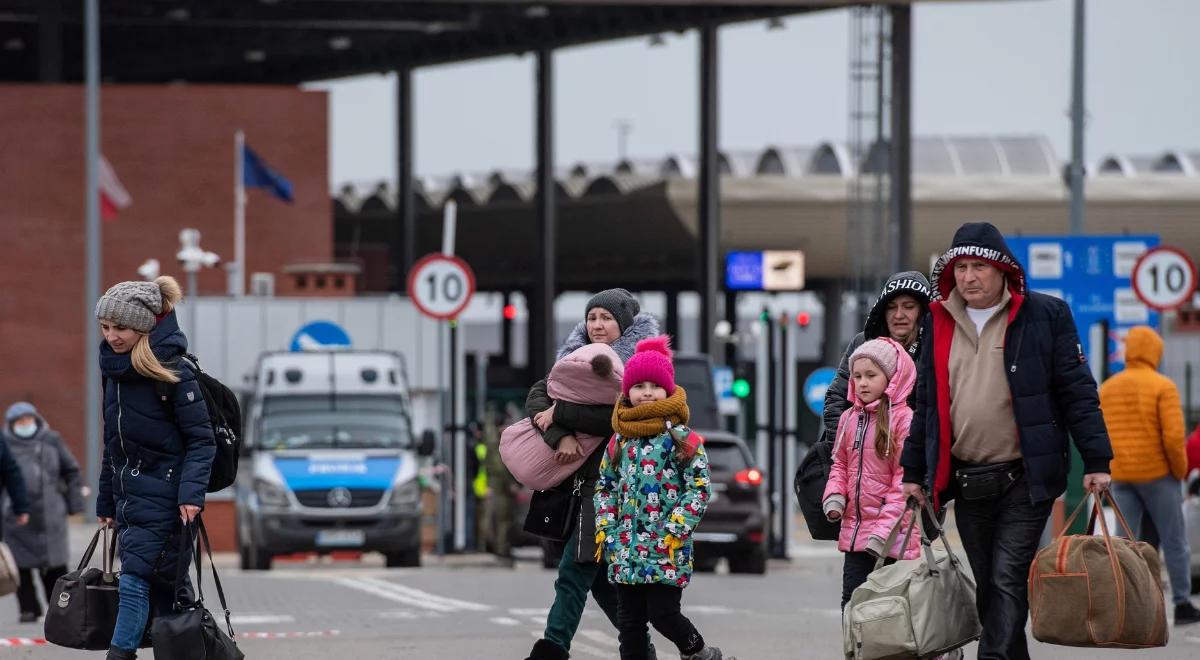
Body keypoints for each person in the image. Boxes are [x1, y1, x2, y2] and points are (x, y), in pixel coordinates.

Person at [900, 222, 1113, 660]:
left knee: (1006, 578)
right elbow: (925, 405)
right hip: (968, 479)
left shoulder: (1045, 316)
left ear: (1002, 270)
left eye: (979, 266)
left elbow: (1078, 392)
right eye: (960, 267)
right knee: (990, 587)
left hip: (1025, 476)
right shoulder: (938, 321)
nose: (968, 276)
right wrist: (913, 472)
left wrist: (1096, 459)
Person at [525, 288, 660, 660]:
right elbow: (539, 396)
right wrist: (560, 433)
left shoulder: (642, 367)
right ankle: (642, 647)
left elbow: (620, 418)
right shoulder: (573, 357)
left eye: (606, 318)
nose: (597, 325)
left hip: (610, 490)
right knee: (598, 580)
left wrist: (563, 413)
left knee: (574, 572)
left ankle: (551, 650)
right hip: (573, 485)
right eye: (592, 317)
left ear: (625, 323)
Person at [95, 276, 216, 660]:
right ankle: (199, 651)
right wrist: (106, 504)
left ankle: (120, 654)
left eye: (121, 328)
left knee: (134, 581)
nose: (112, 336)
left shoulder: (176, 372)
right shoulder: (114, 372)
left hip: (168, 499)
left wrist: (191, 496)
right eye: (106, 327)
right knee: (170, 592)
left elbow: (202, 440)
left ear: (145, 326)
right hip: (131, 499)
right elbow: (113, 445)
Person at [595, 336, 733, 660]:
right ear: (627, 392)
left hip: (665, 549)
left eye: (654, 385)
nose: (646, 392)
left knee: (663, 615)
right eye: (638, 385)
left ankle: (699, 652)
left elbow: (699, 486)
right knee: (629, 626)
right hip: (625, 551)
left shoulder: (680, 439)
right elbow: (605, 486)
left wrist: (676, 528)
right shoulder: (619, 442)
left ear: (667, 390)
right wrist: (607, 530)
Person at [1099, 325, 1200, 625]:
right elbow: (1172, 437)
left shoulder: (1107, 387)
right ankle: (1182, 604)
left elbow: (1099, 433)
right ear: (1155, 351)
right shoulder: (1162, 386)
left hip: (1122, 475)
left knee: (1126, 543)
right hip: (1158, 474)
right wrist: (1179, 471)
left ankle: (1127, 606)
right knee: (1174, 540)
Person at [822, 338, 921, 609]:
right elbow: (839, 464)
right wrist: (834, 497)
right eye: (857, 376)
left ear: (890, 378)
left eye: (871, 375)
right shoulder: (848, 419)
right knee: (852, 604)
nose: (862, 382)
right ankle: (856, 653)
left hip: (893, 539)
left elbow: (903, 481)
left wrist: (882, 533)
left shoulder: (903, 419)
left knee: (893, 611)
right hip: (856, 537)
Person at [823, 271, 931, 441]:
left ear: (923, 311)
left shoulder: (934, 346)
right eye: (891, 307)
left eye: (908, 306)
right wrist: (848, 448)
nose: (898, 315)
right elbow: (836, 398)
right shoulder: (863, 342)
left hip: (911, 457)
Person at [2, 402, 83, 623]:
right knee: (21, 567)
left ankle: (59, 609)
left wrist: (75, 505)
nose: (25, 424)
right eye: (20, 421)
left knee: (55, 566)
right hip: (15, 516)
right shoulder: (4, 443)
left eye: (28, 419)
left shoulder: (51, 440)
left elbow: (72, 471)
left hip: (50, 515)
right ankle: (29, 609)